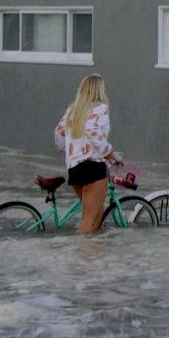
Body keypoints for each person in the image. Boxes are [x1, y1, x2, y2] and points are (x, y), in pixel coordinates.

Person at [56, 73, 117, 234]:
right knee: (88, 221)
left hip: (74, 168)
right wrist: (108, 151)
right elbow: (93, 132)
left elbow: (59, 134)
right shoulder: (100, 109)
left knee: (97, 216)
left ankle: (94, 256)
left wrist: (70, 150)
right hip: (92, 168)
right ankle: (81, 256)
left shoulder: (73, 110)